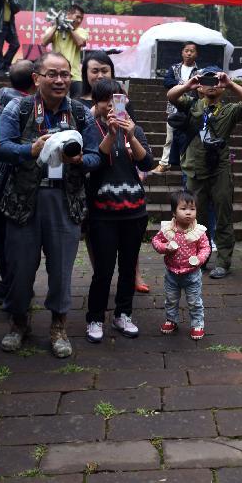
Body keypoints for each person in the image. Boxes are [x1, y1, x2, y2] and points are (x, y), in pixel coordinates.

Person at [0, 52, 95, 358]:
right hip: (24, 198)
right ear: (37, 78)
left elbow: (95, 156)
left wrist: (78, 160)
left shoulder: (81, 112)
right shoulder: (19, 107)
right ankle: (18, 321)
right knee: (20, 267)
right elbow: (0, 147)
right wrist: (30, 149)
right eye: (52, 74)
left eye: (65, 74)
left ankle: (59, 325)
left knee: (62, 270)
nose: (60, 80)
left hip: (65, 199)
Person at [167, 66, 242, 279]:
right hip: (196, 170)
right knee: (196, 217)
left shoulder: (229, 110)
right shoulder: (192, 105)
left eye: (216, 81)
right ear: (199, 87)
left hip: (220, 170)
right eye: (207, 81)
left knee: (223, 216)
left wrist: (230, 83)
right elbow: (171, 96)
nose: (212, 85)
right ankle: (200, 257)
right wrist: (189, 84)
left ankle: (223, 262)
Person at [83, 78, 154, 342]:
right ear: (97, 103)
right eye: (107, 101)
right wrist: (111, 135)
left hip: (134, 210)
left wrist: (131, 136)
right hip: (102, 213)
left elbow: (146, 163)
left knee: (127, 267)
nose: (113, 106)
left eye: (118, 99)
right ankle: (95, 317)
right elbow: (93, 164)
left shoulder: (135, 129)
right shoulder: (90, 130)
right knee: (103, 269)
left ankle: (123, 314)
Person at [0, 59, 35, 306]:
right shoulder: (25, 110)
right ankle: (9, 288)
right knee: (20, 241)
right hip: (15, 184)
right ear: (35, 79)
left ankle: (9, 285)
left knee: (1, 240)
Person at [151, 190, 211, 339]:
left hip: (192, 275)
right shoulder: (168, 229)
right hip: (172, 273)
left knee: (194, 301)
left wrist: (199, 258)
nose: (188, 213)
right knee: (171, 299)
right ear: (174, 212)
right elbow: (156, 241)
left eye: (192, 209)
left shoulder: (199, 231)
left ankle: (197, 323)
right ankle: (171, 320)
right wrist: (165, 248)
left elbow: (206, 247)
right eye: (183, 209)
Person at [152, 41, 199, 174]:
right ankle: (164, 163)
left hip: (192, 108)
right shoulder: (174, 68)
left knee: (190, 137)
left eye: (192, 51)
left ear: (197, 54)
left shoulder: (200, 71)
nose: (189, 53)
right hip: (174, 107)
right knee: (170, 137)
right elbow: (167, 82)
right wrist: (183, 84)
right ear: (182, 52)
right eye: (186, 50)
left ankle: (188, 164)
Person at [41, 3, 88, 99]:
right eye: (77, 17)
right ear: (68, 15)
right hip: (57, 75)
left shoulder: (81, 31)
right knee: (57, 101)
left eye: (81, 18)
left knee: (77, 103)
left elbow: (80, 43)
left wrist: (69, 27)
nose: (79, 20)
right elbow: (44, 42)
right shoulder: (54, 30)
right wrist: (56, 25)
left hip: (75, 75)